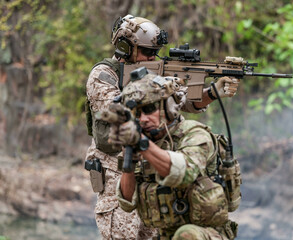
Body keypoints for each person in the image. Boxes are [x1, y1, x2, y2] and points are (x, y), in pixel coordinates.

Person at [85, 15, 239, 239]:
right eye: (147, 51)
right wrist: (168, 86)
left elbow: (178, 105)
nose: (152, 56)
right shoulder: (103, 75)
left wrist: (213, 92)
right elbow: (122, 112)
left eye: (155, 51)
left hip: (154, 165)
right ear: (124, 47)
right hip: (116, 171)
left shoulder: (154, 72)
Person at [111, 71, 238, 240]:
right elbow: (127, 202)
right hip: (165, 235)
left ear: (169, 106)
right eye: (137, 113)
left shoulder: (195, 134)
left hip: (206, 234)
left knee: (186, 235)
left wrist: (142, 144)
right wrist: (130, 155)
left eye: (149, 109)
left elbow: (184, 173)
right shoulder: (144, 142)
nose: (143, 119)